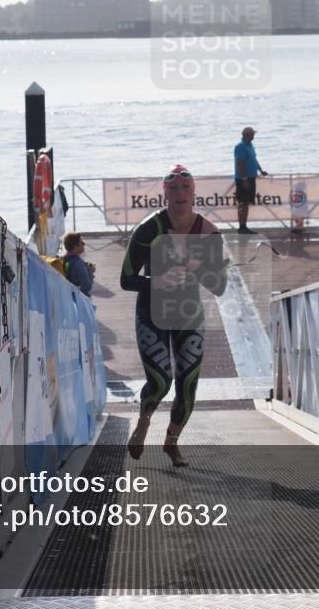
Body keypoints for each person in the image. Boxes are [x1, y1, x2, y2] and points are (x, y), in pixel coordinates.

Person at [120, 164, 228, 467]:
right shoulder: (149, 229)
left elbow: (218, 285)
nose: (180, 195)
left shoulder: (208, 233)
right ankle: (143, 423)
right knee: (160, 381)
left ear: (194, 194)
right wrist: (156, 281)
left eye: (185, 189)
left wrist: (197, 267)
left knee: (188, 383)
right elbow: (126, 279)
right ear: (164, 195)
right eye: (174, 190)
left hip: (188, 311)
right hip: (152, 310)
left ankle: (171, 442)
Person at [233, 126, 268, 235]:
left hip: (251, 178)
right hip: (243, 179)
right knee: (242, 203)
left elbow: (254, 159)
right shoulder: (240, 146)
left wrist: (261, 170)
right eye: (252, 134)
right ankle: (241, 226)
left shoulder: (250, 145)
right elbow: (240, 163)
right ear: (247, 134)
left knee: (246, 203)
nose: (253, 136)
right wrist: (244, 179)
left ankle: (244, 226)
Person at [61, 232, 95, 296]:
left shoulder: (64, 259)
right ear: (75, 246)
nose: (84, 244)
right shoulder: (79, 264)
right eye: (82, 243)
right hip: (77, 298)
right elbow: (86, 287)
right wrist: (91, 272)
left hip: (67, 294)